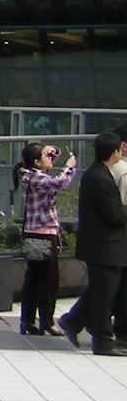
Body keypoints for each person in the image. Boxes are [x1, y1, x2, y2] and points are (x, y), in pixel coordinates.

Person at [13, 141, 76, 335]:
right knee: (48, 281)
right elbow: (60, 183)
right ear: (36, 162)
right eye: (46, 156)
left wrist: (50, 150)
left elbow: (50, 160)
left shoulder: (29, 174)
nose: (51, 158)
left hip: (36, 234)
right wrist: (69, 167)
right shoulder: (37, 179)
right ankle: (47, 322)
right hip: (44, 234)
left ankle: (28, 321)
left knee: (33, 279)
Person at [75, 133, 127, 356]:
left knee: (103, 292)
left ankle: (74, 322)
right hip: (103, 246)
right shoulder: (100, 178)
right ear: (115, 151)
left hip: (104, 245)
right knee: (104, 295)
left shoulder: (99, 174)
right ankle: (102, 340)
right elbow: (114, 214)